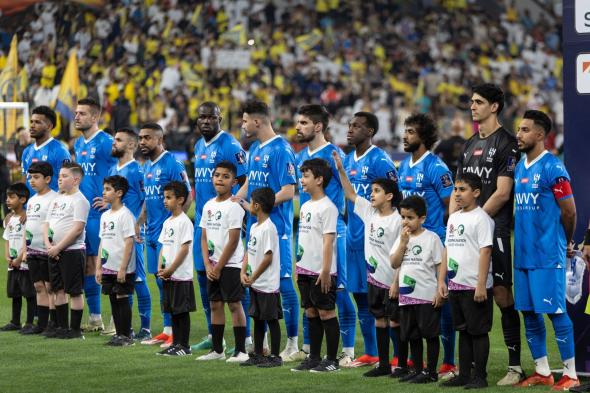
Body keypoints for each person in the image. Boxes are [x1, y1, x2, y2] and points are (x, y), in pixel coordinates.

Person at [453, 84, 523, 385]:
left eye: (479, 102)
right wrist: (457, 221)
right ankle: (467, 369)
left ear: (494, 107)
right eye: (471, 102)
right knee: (466, 291)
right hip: (466, 232)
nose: (472, 106)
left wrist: (474, 219)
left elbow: (503, 192)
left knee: (501, 294)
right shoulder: (468, 146)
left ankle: (515, 365)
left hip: (495, 230)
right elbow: (458, 193)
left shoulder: (507, 143)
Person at [513, 110, 580, 390]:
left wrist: (565, 242)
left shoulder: (553, 167)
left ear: (540, 135)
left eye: (525, 130)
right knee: (529, 313)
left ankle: (571, 374)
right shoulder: (520, 167)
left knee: (555, 312)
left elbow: (570, 212)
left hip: (547, 253)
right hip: (523, 255)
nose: (519, 134)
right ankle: (542, 371)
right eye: (519, 129)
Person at [235, 100, 299, 356]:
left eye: (244, 120)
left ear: (257, 121)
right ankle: (260, 345)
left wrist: (258, 204)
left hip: (277, 230)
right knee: (255, 284)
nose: (242, 124)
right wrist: (235, 202)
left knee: (282, 285)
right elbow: (251, 181)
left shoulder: (281, 149)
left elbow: (288, 190)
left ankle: (293, 344)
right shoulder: (255, 149)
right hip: (254, 229)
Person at [293, 104, 355, 364]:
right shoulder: (300, 156)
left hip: (332, 231)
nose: (298, 127)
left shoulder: (334, 154)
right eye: (298, 122)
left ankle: (348, 350)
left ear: (318, 127)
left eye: (304, 123)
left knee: (337, 291)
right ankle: (311, 350)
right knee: (309, 296)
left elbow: (347, 192)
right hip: (308, 230)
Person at [333, 150, 402, 377]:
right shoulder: (369, 211)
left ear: (389, 196)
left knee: (395, 322)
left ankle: (400, 363)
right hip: (374, 280)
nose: (371, 195)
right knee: (380, 320)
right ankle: (383, 364)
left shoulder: (398, 220)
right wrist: (342, 171)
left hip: (391, 281)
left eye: (376, 191)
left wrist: (396, 281)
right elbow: (351, 194)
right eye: (371, 191)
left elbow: (402, 255)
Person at [397, 113, 456, 377]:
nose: (405, 135)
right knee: (412, 303)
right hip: (410, 245)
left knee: (439, 303)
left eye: (410, 131)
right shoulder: (404, 166)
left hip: (434, 244)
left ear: (423, 136)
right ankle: (417, 361)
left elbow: (451, 205)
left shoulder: (436, 167)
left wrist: (444, 239)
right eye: (405, 130)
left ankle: (448, 362)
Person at [192, 102, 249, 353]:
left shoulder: (230, 145)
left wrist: (237, 207)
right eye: (202, 117)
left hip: (226, 220)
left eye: (210, 117)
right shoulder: (197, 145)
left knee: (234, 288)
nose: (205, 121)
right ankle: (215, 338)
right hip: (205, 219)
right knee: (205, 277)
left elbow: (246, 179)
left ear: (220, 118)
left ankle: (244, 340)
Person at [343, 111, 398, 367]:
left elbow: (395, 197)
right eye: (350, 125)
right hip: (354, 240)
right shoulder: (347, 158)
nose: (351, 129)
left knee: (388, 302)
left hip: (378, 242)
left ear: (370, 132)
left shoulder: (381, 160)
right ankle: (373, 352)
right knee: (361, 297)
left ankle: (398, 354)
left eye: (357, 126)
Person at [439, 173, 494, 389]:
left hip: (474, 286)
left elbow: (485, 251)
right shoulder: (453, 217)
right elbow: (447, 249)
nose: (457, 194)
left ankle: (480, 376)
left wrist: (481, 284)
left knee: (478, 331)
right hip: (455, 285)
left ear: (476, 193)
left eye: (463, 190)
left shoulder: (481, 219)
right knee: (462, 330)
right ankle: (463, 374)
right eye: (456, 189)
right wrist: (442, 280)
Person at [138, 122, 192, 348]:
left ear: (159, 140)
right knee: (159, 282)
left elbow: (187, 194)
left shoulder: (172, 163)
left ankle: (175, 334)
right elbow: (149, 199)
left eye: (147, 138)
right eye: (140, 138)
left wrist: (177, 222)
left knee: (167, 282)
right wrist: (139, 221)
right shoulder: (147, 166)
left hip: (166, 234)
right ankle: (167, 330)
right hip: (151, 233)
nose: (142, 142)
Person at [291, 158, 341, 373]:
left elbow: (328, 241)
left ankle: (331, 360)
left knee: (326, 313)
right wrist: (298, 265)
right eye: (301, 175)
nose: (301, 180)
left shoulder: (328, 207)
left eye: (306, 176)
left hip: (322, 272)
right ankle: (314, 357)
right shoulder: (305, 206)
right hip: (305, 270)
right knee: (311, 312)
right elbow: (303, 239)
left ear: (319, 179)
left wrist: (326, 270)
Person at [73, 97, 117, 332]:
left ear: (95, 117)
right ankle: (95, 318)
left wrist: (112, 202)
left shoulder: (107, 142)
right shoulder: (79, 144)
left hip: (102, 214)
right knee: (89, 266)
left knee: (109, 265)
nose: (76, 116)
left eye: (81, 113)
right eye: (76, 113)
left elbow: (123, 170)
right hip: (84, 214)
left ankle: (117, 321)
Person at [197, 162, 247, 362]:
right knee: (215, 304)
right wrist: (208, 265)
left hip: (231, 265)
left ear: (234, 182)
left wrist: (218, 267)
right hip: (214, 265)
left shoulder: (235, 206)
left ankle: (241, 351)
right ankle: (217, 350)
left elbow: (234, 240)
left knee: (234, 305)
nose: (220, 179)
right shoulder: (208, 205)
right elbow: (203, 237)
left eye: (225, 176)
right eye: (217, 175)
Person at [390, 196, 444, 383]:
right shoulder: (401, 239)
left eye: (410, 217)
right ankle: (418, 370)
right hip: (407, 297)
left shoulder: (432, 238)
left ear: (422, 218)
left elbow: (439, 265)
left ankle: (431, 372)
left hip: (426, 296)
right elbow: (394, 263)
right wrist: (403, 244)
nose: (405, 221)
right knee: (412, 335)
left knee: (429, 335)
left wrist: (439, 289)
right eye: (403, 217)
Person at [108, 127, 151, 341]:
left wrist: (140, 225)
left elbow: (147, 199)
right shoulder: (114, 169)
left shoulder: (136, 171)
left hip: (133, 234)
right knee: (121, 279)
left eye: (118, 140)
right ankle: (126, 328)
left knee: (139, 279)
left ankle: (145, 328)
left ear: (132, 145)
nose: (113, 143)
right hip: (114, 235)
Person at [44, 162, 91, 339]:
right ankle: (62, 327)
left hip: (72, 251)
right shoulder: (57, 199)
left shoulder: (80, 201)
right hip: (53, 251)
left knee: (75, 291)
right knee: (58, 290)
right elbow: (46, 224)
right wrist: (49, 245)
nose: (60, 179)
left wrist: (58, 247)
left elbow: (77, 229)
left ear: (76, 179)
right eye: (59, 176)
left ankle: (75, 330)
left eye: (64, 176)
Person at [240, 187, 283, 368]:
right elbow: (249, 252)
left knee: (271, 320)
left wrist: (253, 277)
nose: (249, 205)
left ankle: (275, 356)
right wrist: (243, 272)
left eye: (250, 202)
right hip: (256, 283)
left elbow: (268, 257)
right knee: (257, 318)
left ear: (256, 206)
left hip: (267, 284)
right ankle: (258, 354)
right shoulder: (254, 227)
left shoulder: (269, 228)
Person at [96, 175, 136, 346]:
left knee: (122, 296)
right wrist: (98, 267)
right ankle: (118, 334)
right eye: (104, 188)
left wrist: (123, 268)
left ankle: (126, 335)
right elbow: (102, 242)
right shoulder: (105, 216)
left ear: (119, 193)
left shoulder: (125, 215)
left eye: (108, 189)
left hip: (122, 268)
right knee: (113, 297)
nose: (104, 192)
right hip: (107, 266)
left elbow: (129, 242)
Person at [156, 181, 196, 356]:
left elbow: (184, 248)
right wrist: (160, 267)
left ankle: (184, 346)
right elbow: (163, 246)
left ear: (180, 200)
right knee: (172, 310)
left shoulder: (184, 222)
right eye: (164, 197)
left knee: (181, 311)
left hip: (180, 275)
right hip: (168, 275)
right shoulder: (168, 222)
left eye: (169, 197)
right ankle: (176, 343)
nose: (165, 201)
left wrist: (171, 268)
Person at [24, 162, 59, 335]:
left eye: (36, 177)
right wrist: (25, 249)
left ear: (48, 179)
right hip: (32, 250)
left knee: (50, 286)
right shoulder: (31, 200)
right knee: (38, 286)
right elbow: (28, 226)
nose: (32, 181)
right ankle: (42, 324)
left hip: (48, 250)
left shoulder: (54, 198)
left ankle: (54, 322)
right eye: (30, 177)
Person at [1, 183, 35, 333]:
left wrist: (20, 257)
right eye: (7, 197)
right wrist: (7, 255)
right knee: (15, 293)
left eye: (11, 197)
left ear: (22, 199)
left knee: (29, 293)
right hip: (12, 262)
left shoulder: (27, 218)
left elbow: (28, 239)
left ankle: (29, 322)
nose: (7, 200)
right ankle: (15, 321)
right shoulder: (8, 219)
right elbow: (6, 238)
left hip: (24, 262)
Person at [21, 106, 71, 194]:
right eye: (31, 122)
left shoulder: (60, 151)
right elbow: (25, 180)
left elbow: (67, 184)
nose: (32, 125)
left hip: (51, 206)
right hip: (30, 205)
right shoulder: (27, 151)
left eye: (37, 122)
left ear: (49, 126)